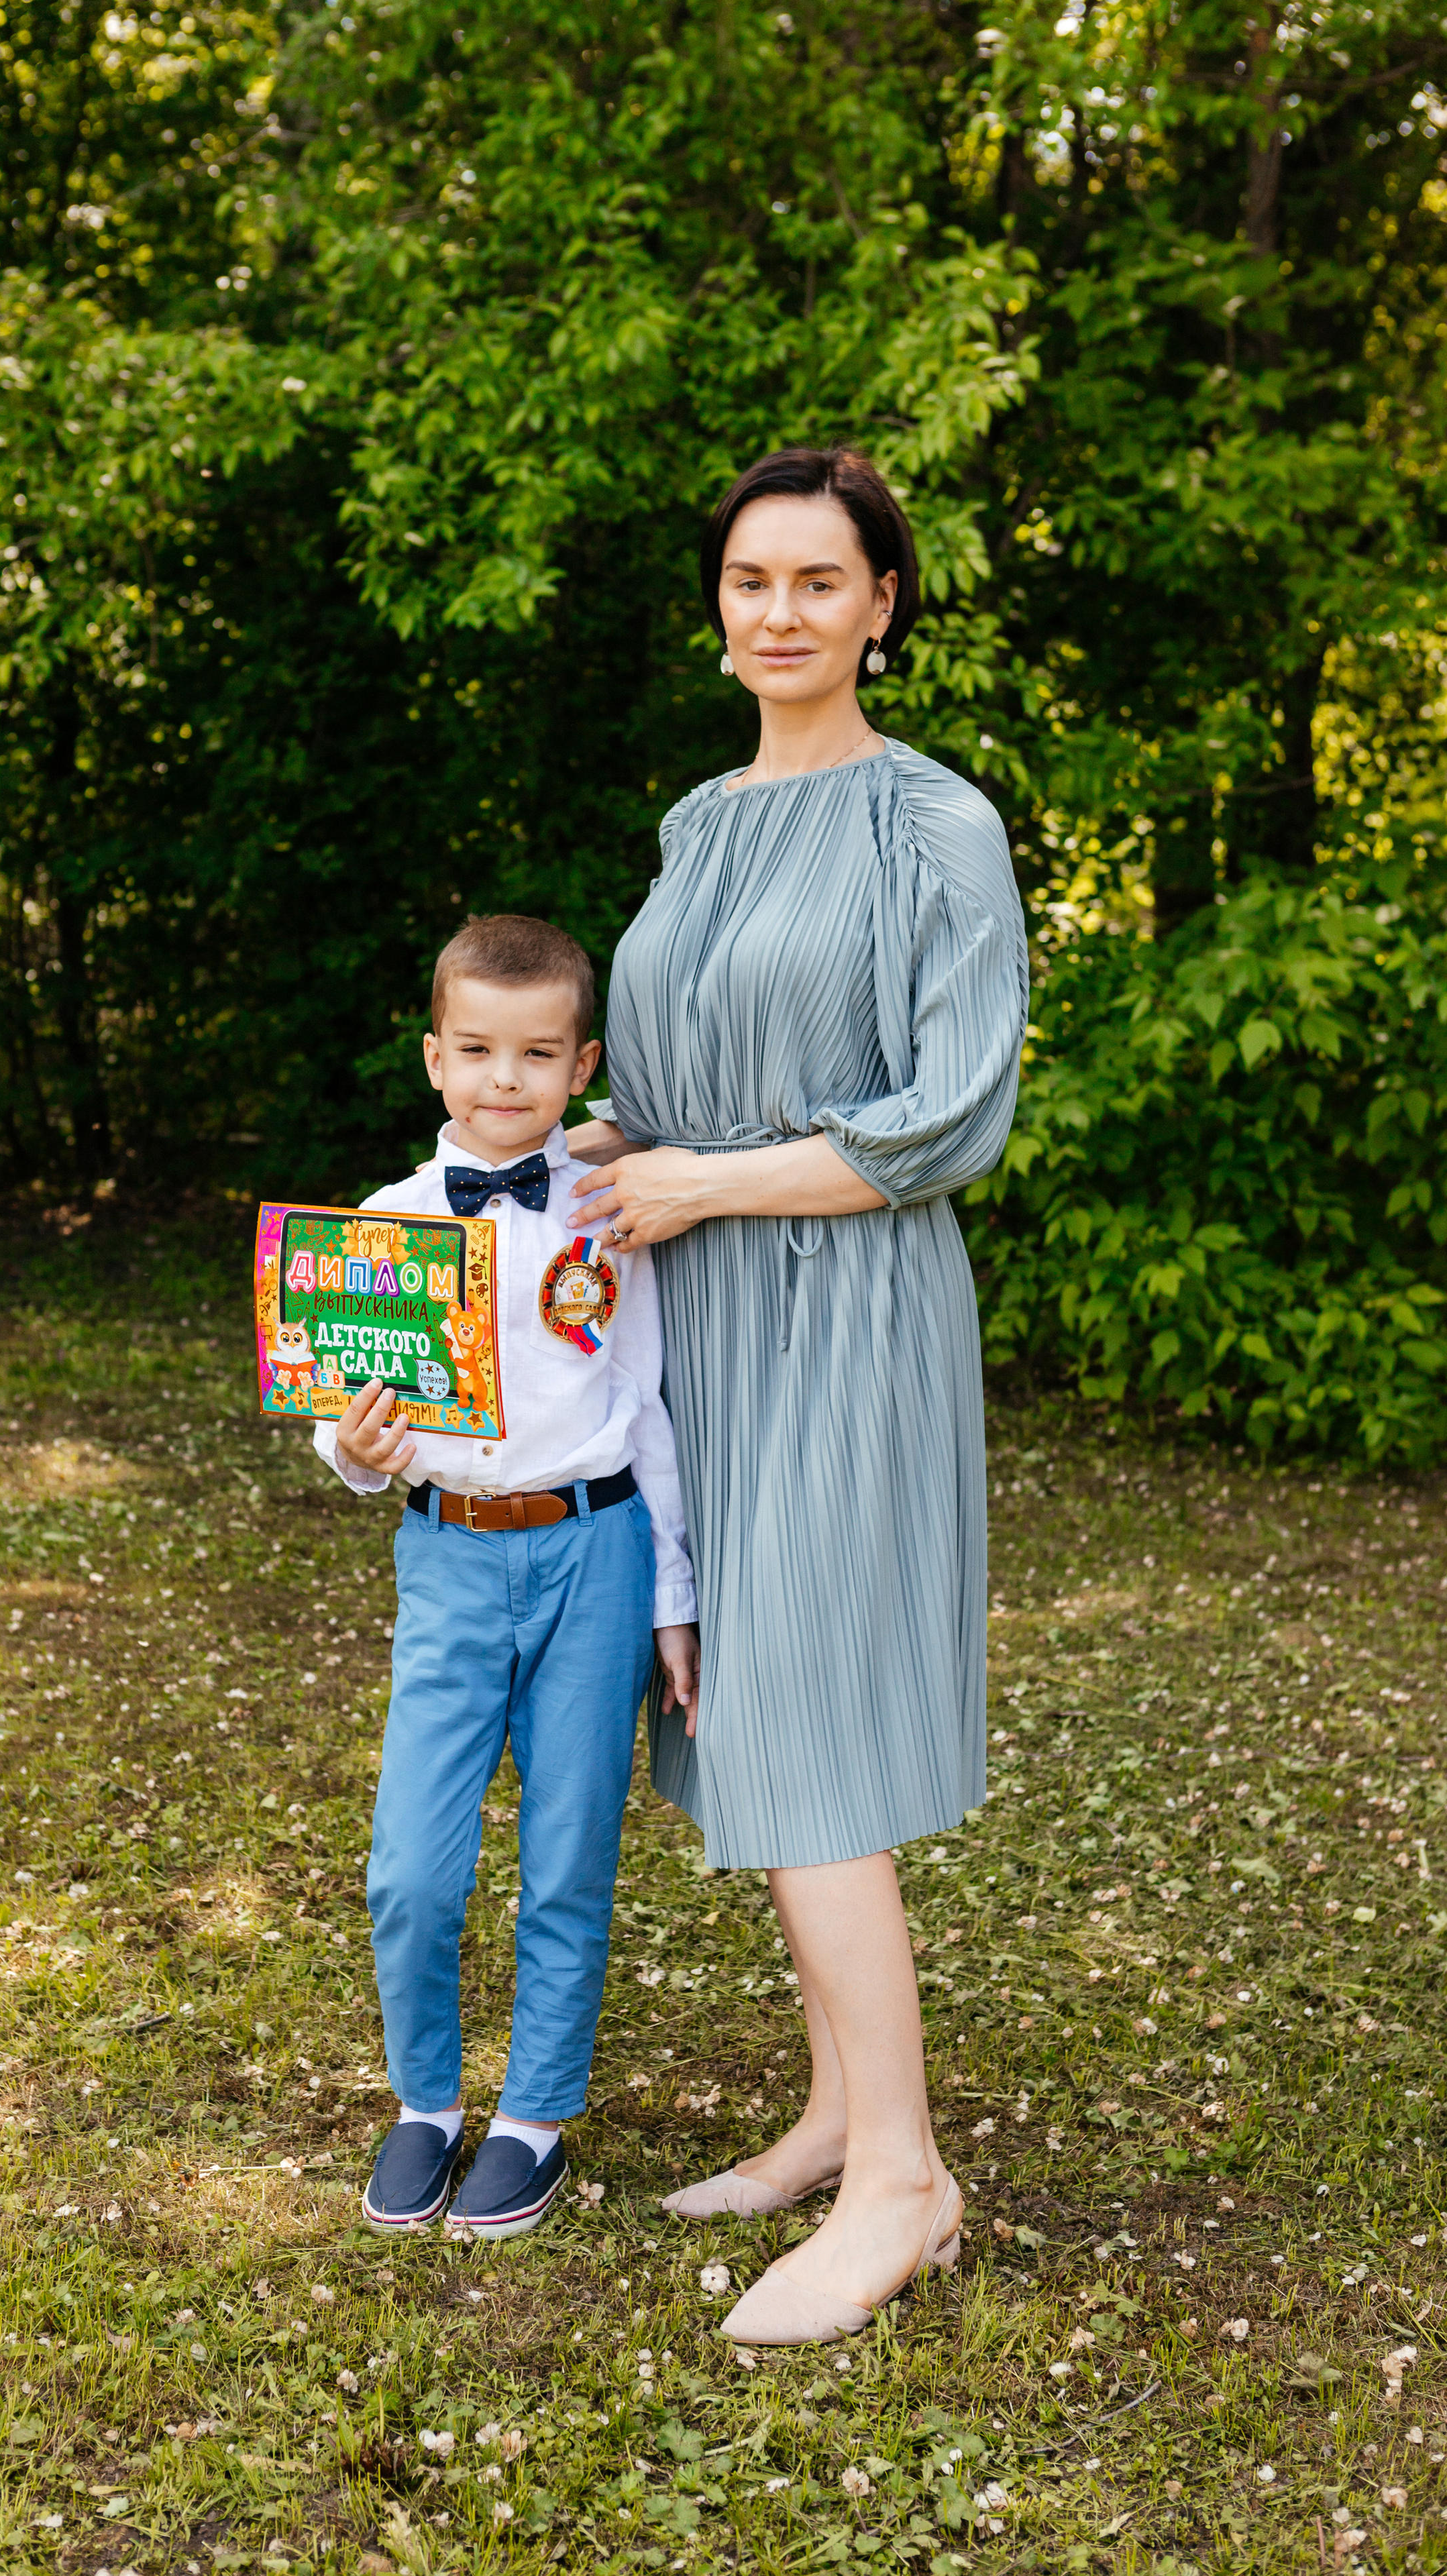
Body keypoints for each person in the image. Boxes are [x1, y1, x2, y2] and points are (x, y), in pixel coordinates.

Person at [569, 447, 1028, 2345]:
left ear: (882, 606)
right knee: (745, 1705)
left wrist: (701, 1182)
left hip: (848, 1314)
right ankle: (841, 2116)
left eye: (818, 583)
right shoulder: (697, 821)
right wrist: (577, 1152)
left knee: (811, 1726)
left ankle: (910, 2182)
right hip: (705, 1333)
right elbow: (674, 1095)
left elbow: (947, 1117)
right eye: (750, 580)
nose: (779, 613)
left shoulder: (937, 825)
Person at [318, 913, 700, 2239]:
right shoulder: (383, 1225)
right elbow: (347, 1410)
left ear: (579, 1063)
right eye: (475, 1049)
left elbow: (644, 1407)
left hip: (594, 1553)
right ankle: (425, 2102)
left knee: (566, 1853)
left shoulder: (605, 1216)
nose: (502, 1078)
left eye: (535, 1055)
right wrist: (356, 1453)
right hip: (451, 1554)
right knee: (412, 1868)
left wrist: (671, 1597)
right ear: (432, 1058)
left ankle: (532, 2116)